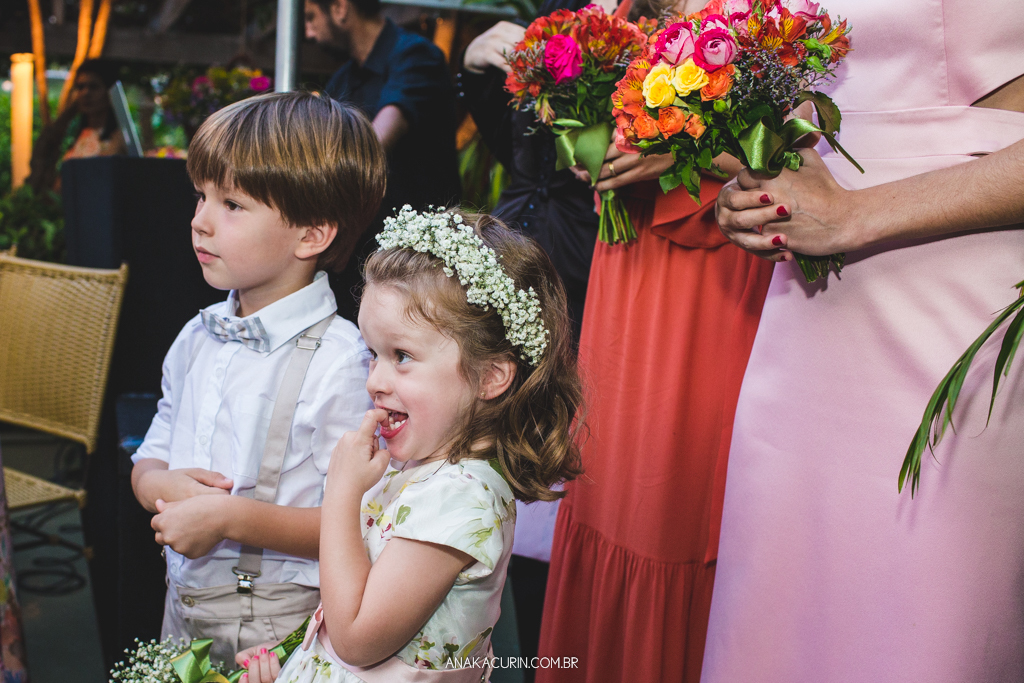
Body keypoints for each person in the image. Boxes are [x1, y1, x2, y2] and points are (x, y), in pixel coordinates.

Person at [702, 1, 1024, 681]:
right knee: (782, 613)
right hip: (810, 309)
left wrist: (856, 213)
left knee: (924, 618)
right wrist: (763, 182)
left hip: (952, 287)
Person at [234, 208, 583, 682]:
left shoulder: (460, 496)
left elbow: (357, 639)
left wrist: (341, 491)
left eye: (402, 356)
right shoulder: (425, 466)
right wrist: (300, 655)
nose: (375, 380)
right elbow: (358, 598)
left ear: (491, 376)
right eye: (371, 353)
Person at [129, 91, 387, 665]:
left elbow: (361, 523)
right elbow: (152, 451)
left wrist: (230, 518)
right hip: (180, 601)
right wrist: (157, 486)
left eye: (232, 205)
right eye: (201, 196)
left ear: (312, 234)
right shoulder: (197, 337)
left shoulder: (343, 363)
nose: (200, 220)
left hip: (277, 621)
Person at [304, 0, 461, 322]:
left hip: (418, 261)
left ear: (340, 8)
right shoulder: (343, 80)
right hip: (357, 258)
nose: (308, 32)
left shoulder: (416, 56)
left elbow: (376, 141)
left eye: (310, 17)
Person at [27, 59, 126, 193]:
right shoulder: (73, 135)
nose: (86, 93)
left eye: (93, 87)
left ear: (109, 92)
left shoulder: (119, 139)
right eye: (80, 87)